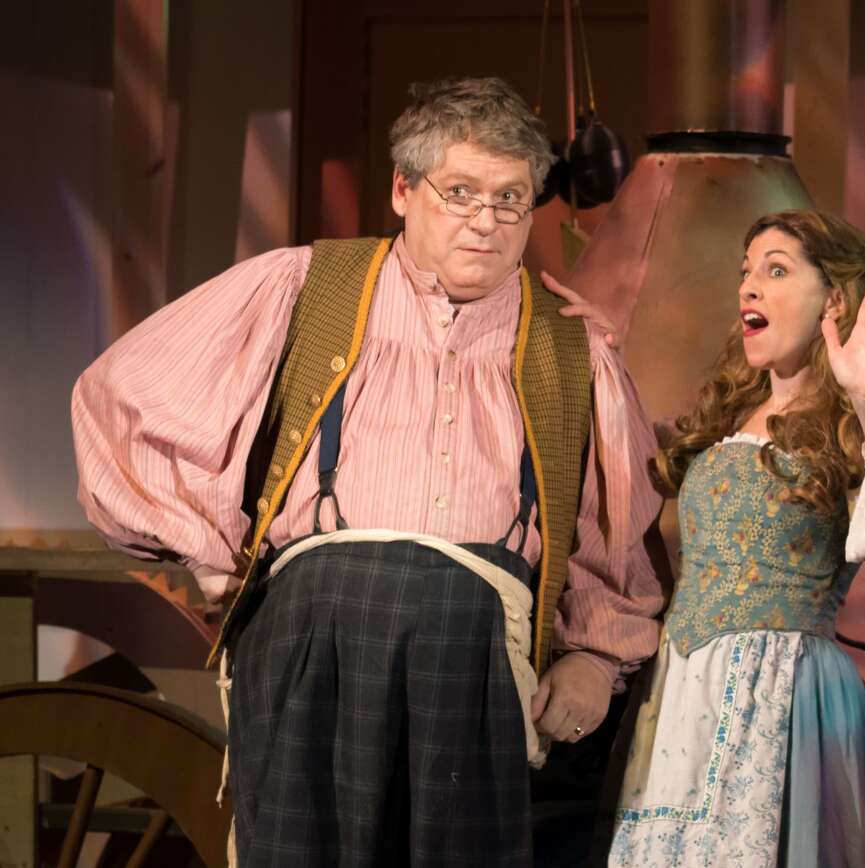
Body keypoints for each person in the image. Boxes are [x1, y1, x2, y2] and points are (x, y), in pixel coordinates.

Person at [72, 76, 664, 867]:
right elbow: (124, 399)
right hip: (312, 634)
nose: (486, 223)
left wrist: (593, 661)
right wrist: (210, 556)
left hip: (476, 648)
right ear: (402, 189)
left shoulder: (569, 349)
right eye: (460, 193)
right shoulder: (303, 286)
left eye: (511, 200)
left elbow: (614, 533)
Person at [605, 209, 865, 867]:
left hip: (783, 693)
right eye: (746, 272)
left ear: (833, 298)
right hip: (683, 695)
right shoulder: (722, 421)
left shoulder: (861, 428)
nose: (749, 287)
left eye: (775, 271)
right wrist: (597, 356)